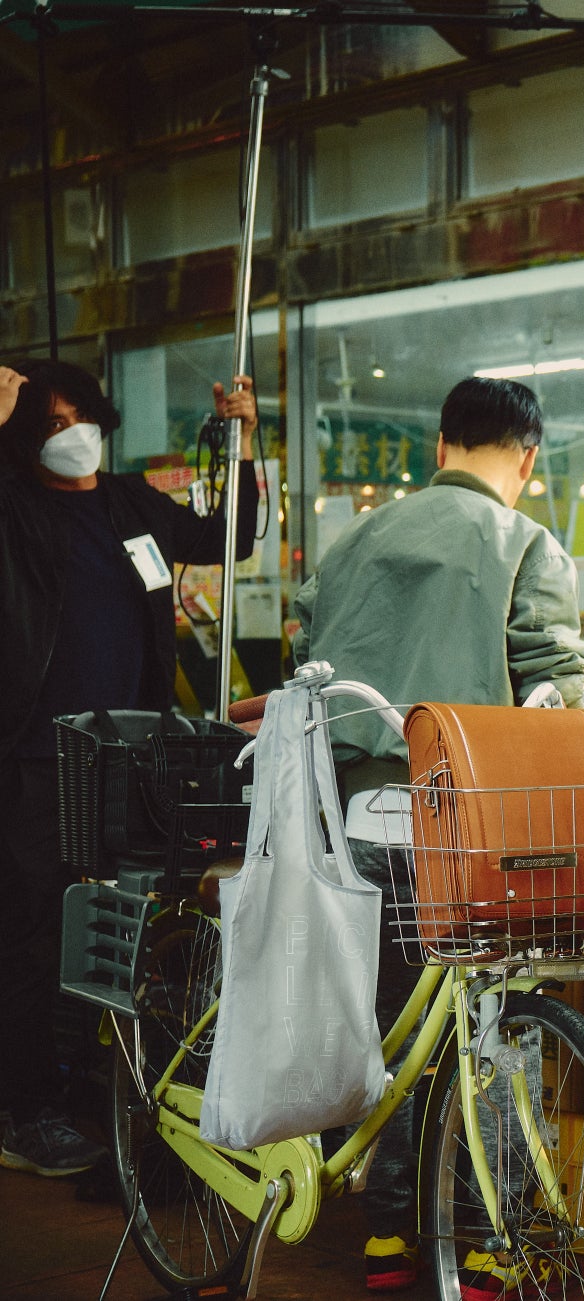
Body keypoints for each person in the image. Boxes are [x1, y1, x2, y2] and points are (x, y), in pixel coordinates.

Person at [291, 375, 584, 1295]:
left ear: (441, 444)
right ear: (528, 459)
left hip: (350, 817)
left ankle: (386, 1234)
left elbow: (304, 661)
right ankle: (492, 1234)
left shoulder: (351, 541)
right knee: (489, 1024)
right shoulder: (524, 541)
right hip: (467, 825)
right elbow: (552, 691)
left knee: (388, 1022)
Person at [0, 359, 259, 1182]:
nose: (70, 433)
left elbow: (230, 538)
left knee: (123, 934)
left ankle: (94, 1093)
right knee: (35, 931)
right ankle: (24, 1109)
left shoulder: (128, 503)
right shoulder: (14, 508)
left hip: (128, 756)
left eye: (78, 415)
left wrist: (244, 444)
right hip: (36, 756)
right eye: (46, 421)